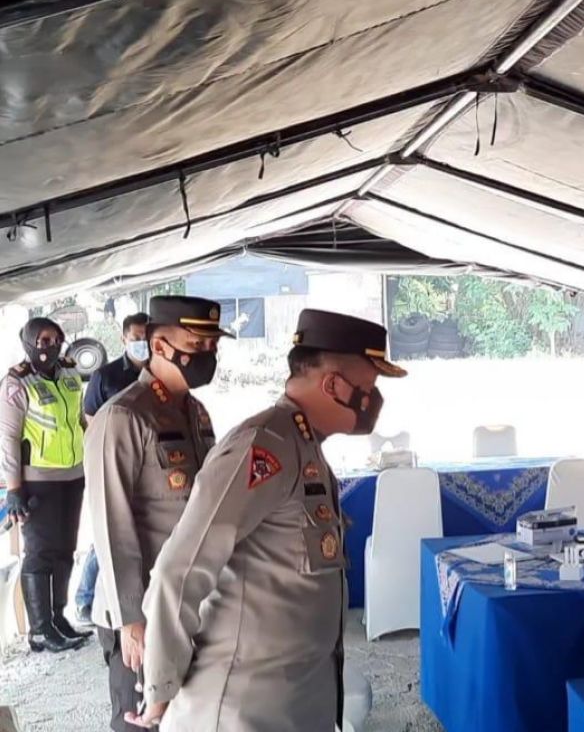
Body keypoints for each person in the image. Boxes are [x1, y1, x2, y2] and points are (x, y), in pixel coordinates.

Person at [129, 309, 408, 731]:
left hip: (292, 703)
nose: (374, 401)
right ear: (333, 385)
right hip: (241, 708)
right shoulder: (263, 446)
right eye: (368, 388)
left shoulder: (304, 446)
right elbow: (179, 572)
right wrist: (161, 687)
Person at [84, 297, 225, 732]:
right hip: (139, 611)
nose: (206, 354)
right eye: (195, 343)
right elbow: (112, 524)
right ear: (159, 344)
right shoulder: (123, 416)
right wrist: (131, 618)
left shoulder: (194, 413)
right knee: (138, 723)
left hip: (180, 601)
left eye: (211, 345)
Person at [0, 318, 91, 652]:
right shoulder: (16, 381)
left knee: (66, 550)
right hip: (38, 480)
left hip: (73, 476)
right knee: (40, 552)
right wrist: (14, 489)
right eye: (41, 340)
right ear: (28, 342)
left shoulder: (69, 372)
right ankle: (39, 629)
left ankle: (57, 618)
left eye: (53, 339)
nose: (48, 346)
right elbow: (8, 438)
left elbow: (80, 420)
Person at [76, 311, 151, 627]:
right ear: (124, 339)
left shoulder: (158, 373)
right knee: (108, 532)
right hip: (110, 462)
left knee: (139, 530)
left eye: (146, 338)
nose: (141, 344)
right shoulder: (105, 377)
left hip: (148, 464)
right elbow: (91, 422)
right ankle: (85, 600)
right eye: (136, 338)